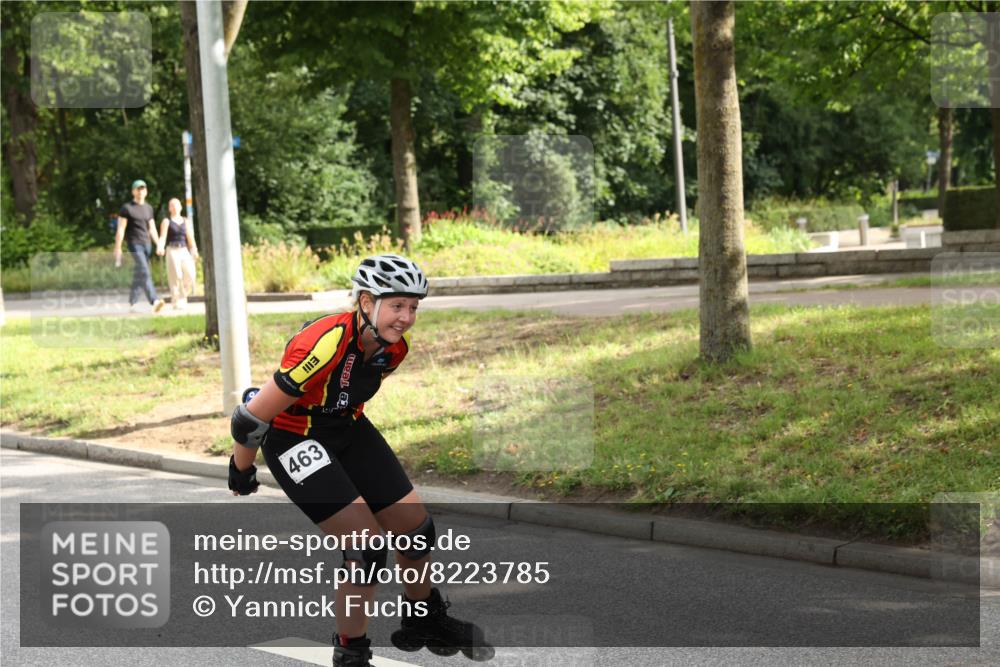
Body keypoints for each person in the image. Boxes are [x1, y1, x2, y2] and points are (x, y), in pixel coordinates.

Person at [227, 254, 493, 666]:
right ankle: (351, 654)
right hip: (294, 437)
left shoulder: (394, 350)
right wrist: (242, 468)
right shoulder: (327, 341)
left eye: (413, 307)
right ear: (367, 303)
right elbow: (251, 418)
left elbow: (347, 396)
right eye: (397, 305)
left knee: (416, 530)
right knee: (366, 549)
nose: (405, 317)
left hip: (345, 428)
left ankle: (424, 618)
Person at [113, 179, 165, 313]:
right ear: (133, 191)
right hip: (134, 244)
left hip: (146, 244)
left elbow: (152, 228)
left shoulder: (148, 208)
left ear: (146, 191)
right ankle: (154, 301)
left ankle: (133, 302)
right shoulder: (127, 208)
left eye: (143, 189)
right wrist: (118, 247)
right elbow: (121, 229)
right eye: (138, 189)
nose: (140, 191)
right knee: (145, 270)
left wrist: (159, 244)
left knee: (140, 273)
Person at [156, 198, 199, 310]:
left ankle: (183, 296)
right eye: (172, 205)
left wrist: (194, 249)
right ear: (169, 208)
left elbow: (190, 238)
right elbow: (163, 237)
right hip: (172, 250)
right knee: (175, 276)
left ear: (181, 207)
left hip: (184, 250)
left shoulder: (186, 221)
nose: (174, 207)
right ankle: (176, 301)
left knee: (190, 274)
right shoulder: (166, 221)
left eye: (176, 205)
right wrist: (160, 246)